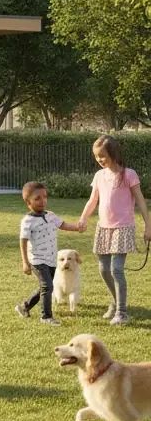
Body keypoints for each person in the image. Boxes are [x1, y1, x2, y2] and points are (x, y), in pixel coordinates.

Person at [78, 135, 151, 325]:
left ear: (113, 153)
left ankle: (122, 312)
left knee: (116, 269)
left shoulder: (129, 175)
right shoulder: (99, 176)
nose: (99, 159)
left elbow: (141, 201)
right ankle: (116, 302)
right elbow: (93, 200)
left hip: (123, 228)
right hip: (104, 228)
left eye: (102, 155)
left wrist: (148, 226)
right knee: (103, 269)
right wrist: (83, 218)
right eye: (96, 156)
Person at [14, 181, 82, 326]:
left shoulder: (51, 215)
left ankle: (25, 307)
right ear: (28, 202)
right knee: (48, 287)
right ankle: (46, 316)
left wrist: (77, 227)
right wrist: (25, 262)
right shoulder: (27, 221)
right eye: (37, 198)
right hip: (37, 261)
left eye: (45, 197)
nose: (42, 201)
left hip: (51, 260)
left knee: (44, 287)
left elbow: (63, 225)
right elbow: (23, 241)